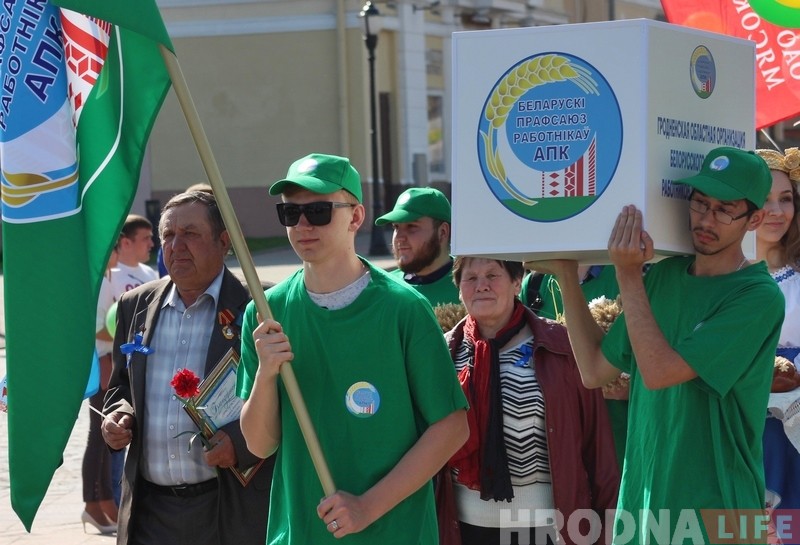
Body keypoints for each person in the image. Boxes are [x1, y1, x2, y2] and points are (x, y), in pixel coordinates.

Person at [530, 146, 784, 543]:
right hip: (644, 502)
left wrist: (629, 275)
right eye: (700, 203)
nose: (706, 219)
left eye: (725, 210)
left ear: (755, 220)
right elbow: (594, 370)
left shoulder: (758, 296)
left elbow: (660, 372)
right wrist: (565, 274)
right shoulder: (664, 276)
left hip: (718, 510)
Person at [237, 153, 469, 544]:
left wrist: (367, 506)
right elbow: (259, 444)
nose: (303, 225)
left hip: (394, 534)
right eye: (291, 213)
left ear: (356, 217)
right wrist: (266, 373)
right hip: (301, 533)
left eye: (319, 211)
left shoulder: (404, 308)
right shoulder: (265, 313)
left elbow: (451, 427)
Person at [101, 191, 273, 545]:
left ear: (223, 242)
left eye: (190, 234)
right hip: (150, 512)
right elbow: (121, 386)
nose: (176, 246)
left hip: (227, 508)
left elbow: (286, 399)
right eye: (168, 235)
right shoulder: (135, 305)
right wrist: (120, 414)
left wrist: (240, 444)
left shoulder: (259, 305)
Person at [444, 256, 619, 545]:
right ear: (459, 289)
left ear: (517, 283)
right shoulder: (443, 352)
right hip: (464, 529)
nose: (481, 286)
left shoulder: (562, 346)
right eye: (471, 278)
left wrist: (609, 524)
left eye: (492, 275)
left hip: (547, 529)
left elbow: (597, 447)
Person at [755, 148, 800, 519]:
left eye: (785, 199)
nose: (776, 210)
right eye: (764, 198)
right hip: (738, 432)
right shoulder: (715, 280)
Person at [81, 247, 120, 534]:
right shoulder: (98, 280)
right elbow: (97, 328)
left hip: (105, 359)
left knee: (101, 435)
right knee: (99, 435)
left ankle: (101, 502)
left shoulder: (105, 279)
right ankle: (96, 502)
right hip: (101, 361)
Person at [375, 187, 460, 307]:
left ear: (442, 232)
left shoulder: (471, 287)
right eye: (396, 227)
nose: (399, 237)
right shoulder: (384, 289)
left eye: (411, 226)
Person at [110, 214, 158, 294]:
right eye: (146, 238)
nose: (152, 244)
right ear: (126, 243)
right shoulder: (109, 276)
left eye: (150, 238)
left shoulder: (150, 272)